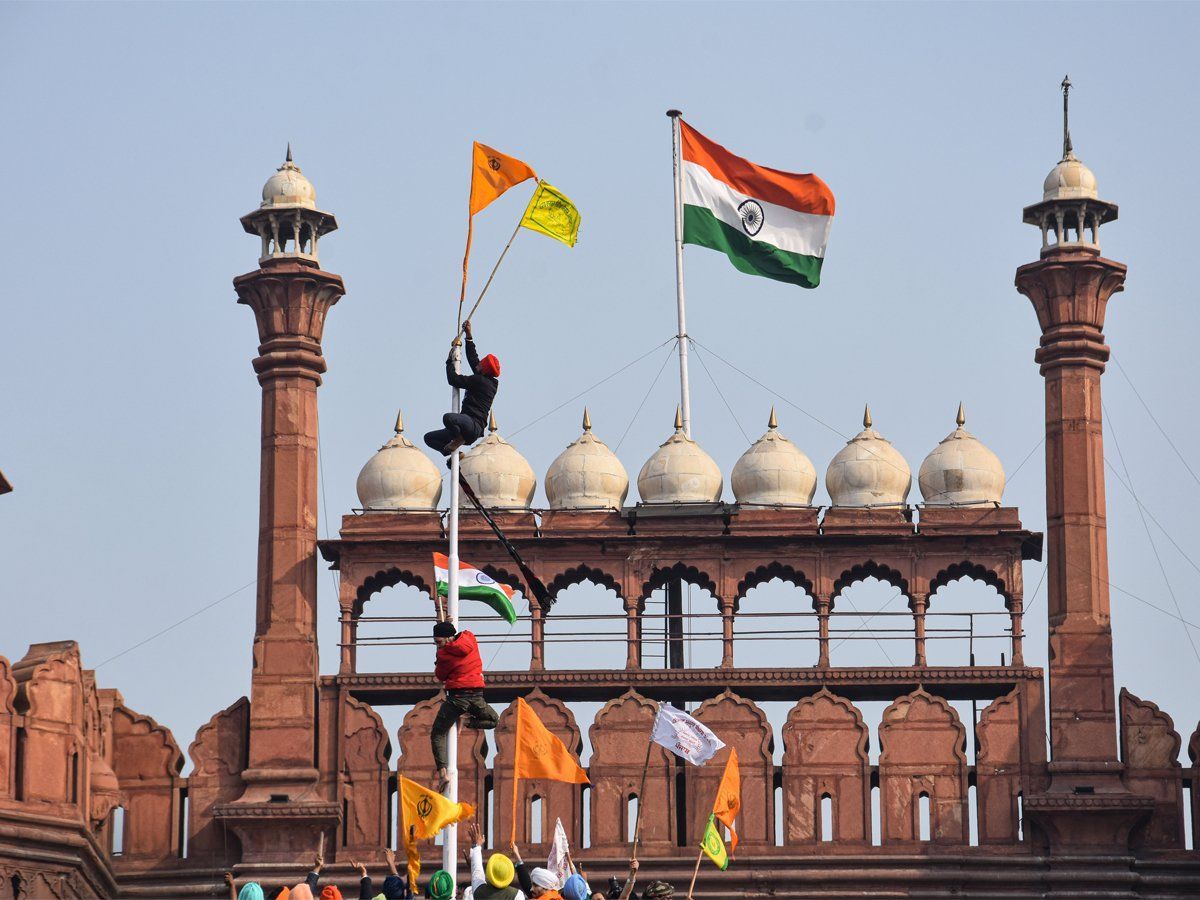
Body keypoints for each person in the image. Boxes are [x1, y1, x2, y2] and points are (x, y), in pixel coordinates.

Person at [431, 620, 499, 790]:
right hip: (476, 697)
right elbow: (458, 638)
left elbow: (440, 676)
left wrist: (438, 656)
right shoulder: (470, 637)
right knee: (494, 720)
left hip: (457, 699)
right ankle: (468, 721)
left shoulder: (444, 655)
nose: (437, 645)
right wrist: (449, 623)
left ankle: (443, 774)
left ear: (446, 638)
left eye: (438, 642)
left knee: (437, 734)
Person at [423, 320, 500, 456]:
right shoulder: (485, 379)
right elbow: (473, 359)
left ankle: (458, 439)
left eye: (481, 364)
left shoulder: (480, 381)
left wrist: (449, 361)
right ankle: (452, 451)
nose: (478, 363)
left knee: (448, 418)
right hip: (464, 426)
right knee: (429, 438)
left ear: (484, 369)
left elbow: (454, 379)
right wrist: (469, 336)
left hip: (472, 426)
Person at [462, 821, 525, 899]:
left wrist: (476, 845)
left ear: (489, 873)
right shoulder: (517, 895)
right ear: (510, 875)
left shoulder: (479, 891)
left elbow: (477, 871)